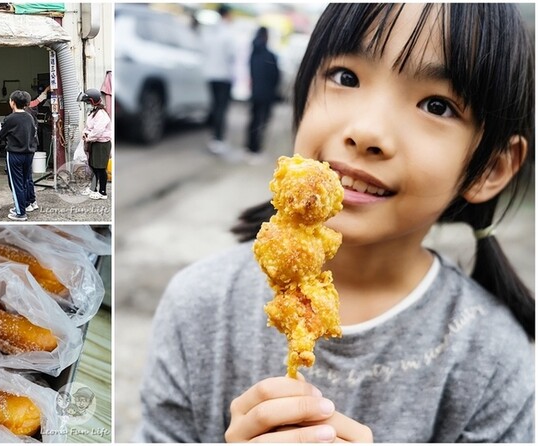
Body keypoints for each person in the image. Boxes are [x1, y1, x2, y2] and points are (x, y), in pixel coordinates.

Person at [137, 4, 534, 443]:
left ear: (491, 169)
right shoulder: (198, 305)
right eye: (346, 77)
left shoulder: (494, 358)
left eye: (436, 105)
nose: (366, 131)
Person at [202, 4, 236, 155]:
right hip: (223, 75)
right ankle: (218, 139)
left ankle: (214, 137)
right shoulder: (228, 33)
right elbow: (232, 56)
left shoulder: (210, 31)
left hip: (210, 74)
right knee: (221, 108)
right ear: (227, 14)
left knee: (215, 106)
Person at [0, 90, 37, 221]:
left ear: (13, 103)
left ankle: (20, 213)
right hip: (29, 153)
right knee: (25, 181)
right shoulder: (29, 117)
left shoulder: (10, 118)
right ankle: (24, 205)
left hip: (15, 154)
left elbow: (0, 135)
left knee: (16, 184)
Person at [247, 26, 281, 161]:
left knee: (254, 119)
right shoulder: (269, 55)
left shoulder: (253, 53)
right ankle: (256, 148)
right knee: (262, 121)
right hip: (267, 93)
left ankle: (250, 147)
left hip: (255, 92)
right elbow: (275, 75)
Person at [79, 89, 111, 200]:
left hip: (101, 144)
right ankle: (93, 188)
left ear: (93, 101)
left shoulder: (101, 114)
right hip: (93, 142)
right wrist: (85, 133)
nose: (87, 105)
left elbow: (98, 131)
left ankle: (103, 192)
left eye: (88, 102)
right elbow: (88, 127)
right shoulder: (93, 112)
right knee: (93, 166)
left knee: (100, 168)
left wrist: (88, 137)